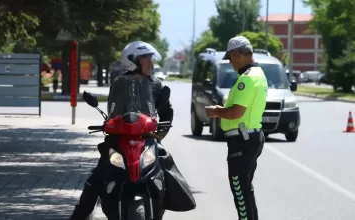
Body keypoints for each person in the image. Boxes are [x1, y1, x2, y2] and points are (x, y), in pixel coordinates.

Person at [70, 41, 195, 220]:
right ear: (133, 61)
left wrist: (161, 133)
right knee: (95, 178)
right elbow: (113, 111)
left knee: (166, 163)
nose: (151, 64)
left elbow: (166, 111)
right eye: (146, 60)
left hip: (146, 140)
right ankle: (79, 215)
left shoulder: (156, 84)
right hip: (118, 141)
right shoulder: (118, 83)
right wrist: (109, 124)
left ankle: (168, 200)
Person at [205, 36, 267, 220]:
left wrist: (216, 111)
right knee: (245, 186)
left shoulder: (246, 80)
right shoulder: (259, 75)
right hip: (250, 137)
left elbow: (236, 112)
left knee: (239, 187)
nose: (230, 62)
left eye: (230, 57)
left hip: (243, 140)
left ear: (239, 54)